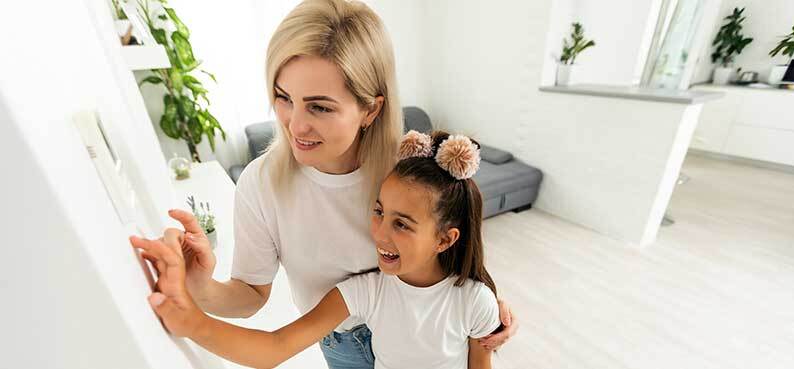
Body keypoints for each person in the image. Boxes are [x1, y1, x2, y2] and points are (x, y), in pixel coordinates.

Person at [150, 0, 517, 367]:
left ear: (371, 110)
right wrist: (200, 286)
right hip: (343, 341)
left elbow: (449, 247)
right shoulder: (262, 184)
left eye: (320, 107)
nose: (294, 126)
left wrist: (480, 307)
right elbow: (253, 300)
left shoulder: (406, 171)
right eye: (283, 97)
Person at [131, 130, 502, 369]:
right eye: (378, 213)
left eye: (401, 224)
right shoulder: (366, 291)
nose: (380, 234)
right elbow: (275, 347)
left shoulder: (474, 301)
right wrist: (193, 323)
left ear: (445, 239)